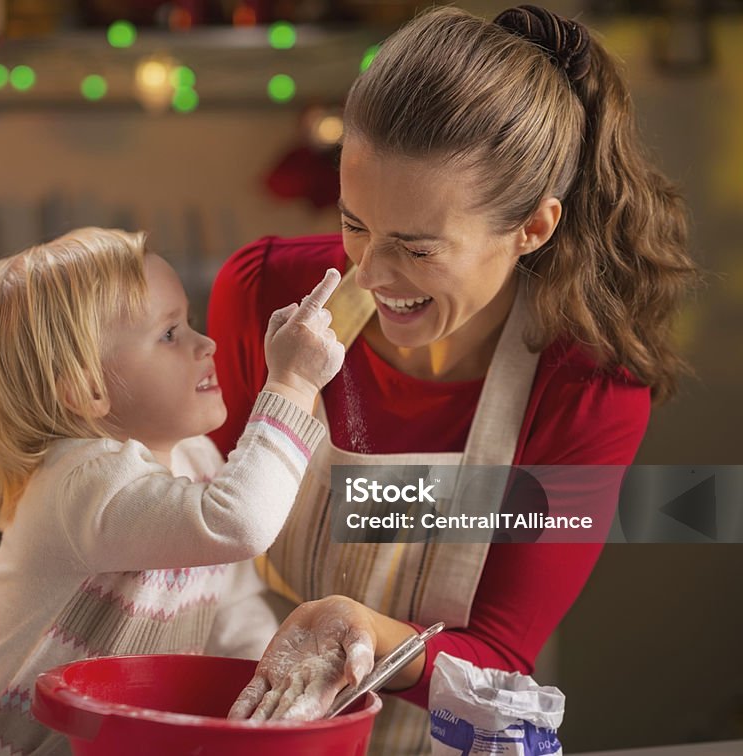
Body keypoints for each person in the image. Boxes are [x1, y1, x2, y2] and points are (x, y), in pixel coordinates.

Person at [209, 4, 696, 753]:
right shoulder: (262, 294)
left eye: (417, 248)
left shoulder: (585, 386)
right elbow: (185, 540)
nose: (370, 274)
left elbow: (501, 661)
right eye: (354, 223)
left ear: (533, 227)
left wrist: (362, 632)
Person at [0, 227, 344, 755]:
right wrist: (293, 386)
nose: (204, 343)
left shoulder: (199, 462)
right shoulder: (83, 483)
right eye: (169, 334)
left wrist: (274, 699)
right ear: (86, 388)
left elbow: (231, 610)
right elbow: (241, 523)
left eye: (187, 322)